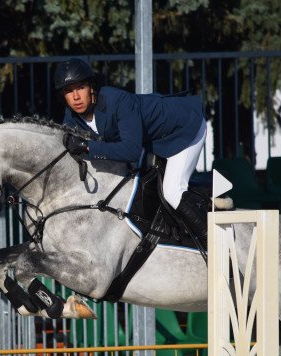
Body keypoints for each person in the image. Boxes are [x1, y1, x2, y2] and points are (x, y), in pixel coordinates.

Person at [55, 57, 208, 251]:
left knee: (172, 190)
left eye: (80, 88)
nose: (76, 97)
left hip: (183, 129)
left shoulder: (118, 101)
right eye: (69, 91)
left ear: (91, 87)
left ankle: (213, 244)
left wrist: (88, 148)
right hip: (154, 141)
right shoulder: (72, 117)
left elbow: (131, 151)